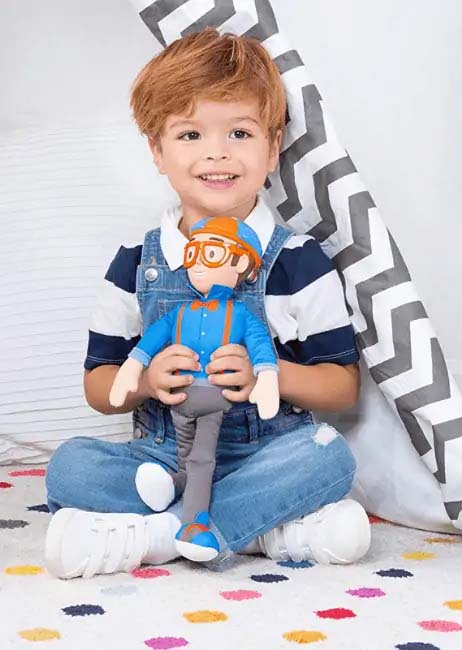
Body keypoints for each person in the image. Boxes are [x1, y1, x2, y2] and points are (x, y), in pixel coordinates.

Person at [43, 29, 370, 579]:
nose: (217, 152)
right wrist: (147, 382)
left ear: (272, 148)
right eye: (190, 134)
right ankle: (260, 530)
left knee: (327, 457)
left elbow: (341, 387)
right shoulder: (135, 263)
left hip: (263, 457)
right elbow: (99, 385)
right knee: (69, 468)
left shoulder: (298, 261)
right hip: (163, 460)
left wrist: (267, 375)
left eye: (239, 132)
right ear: (158, 151)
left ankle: (160, 536)